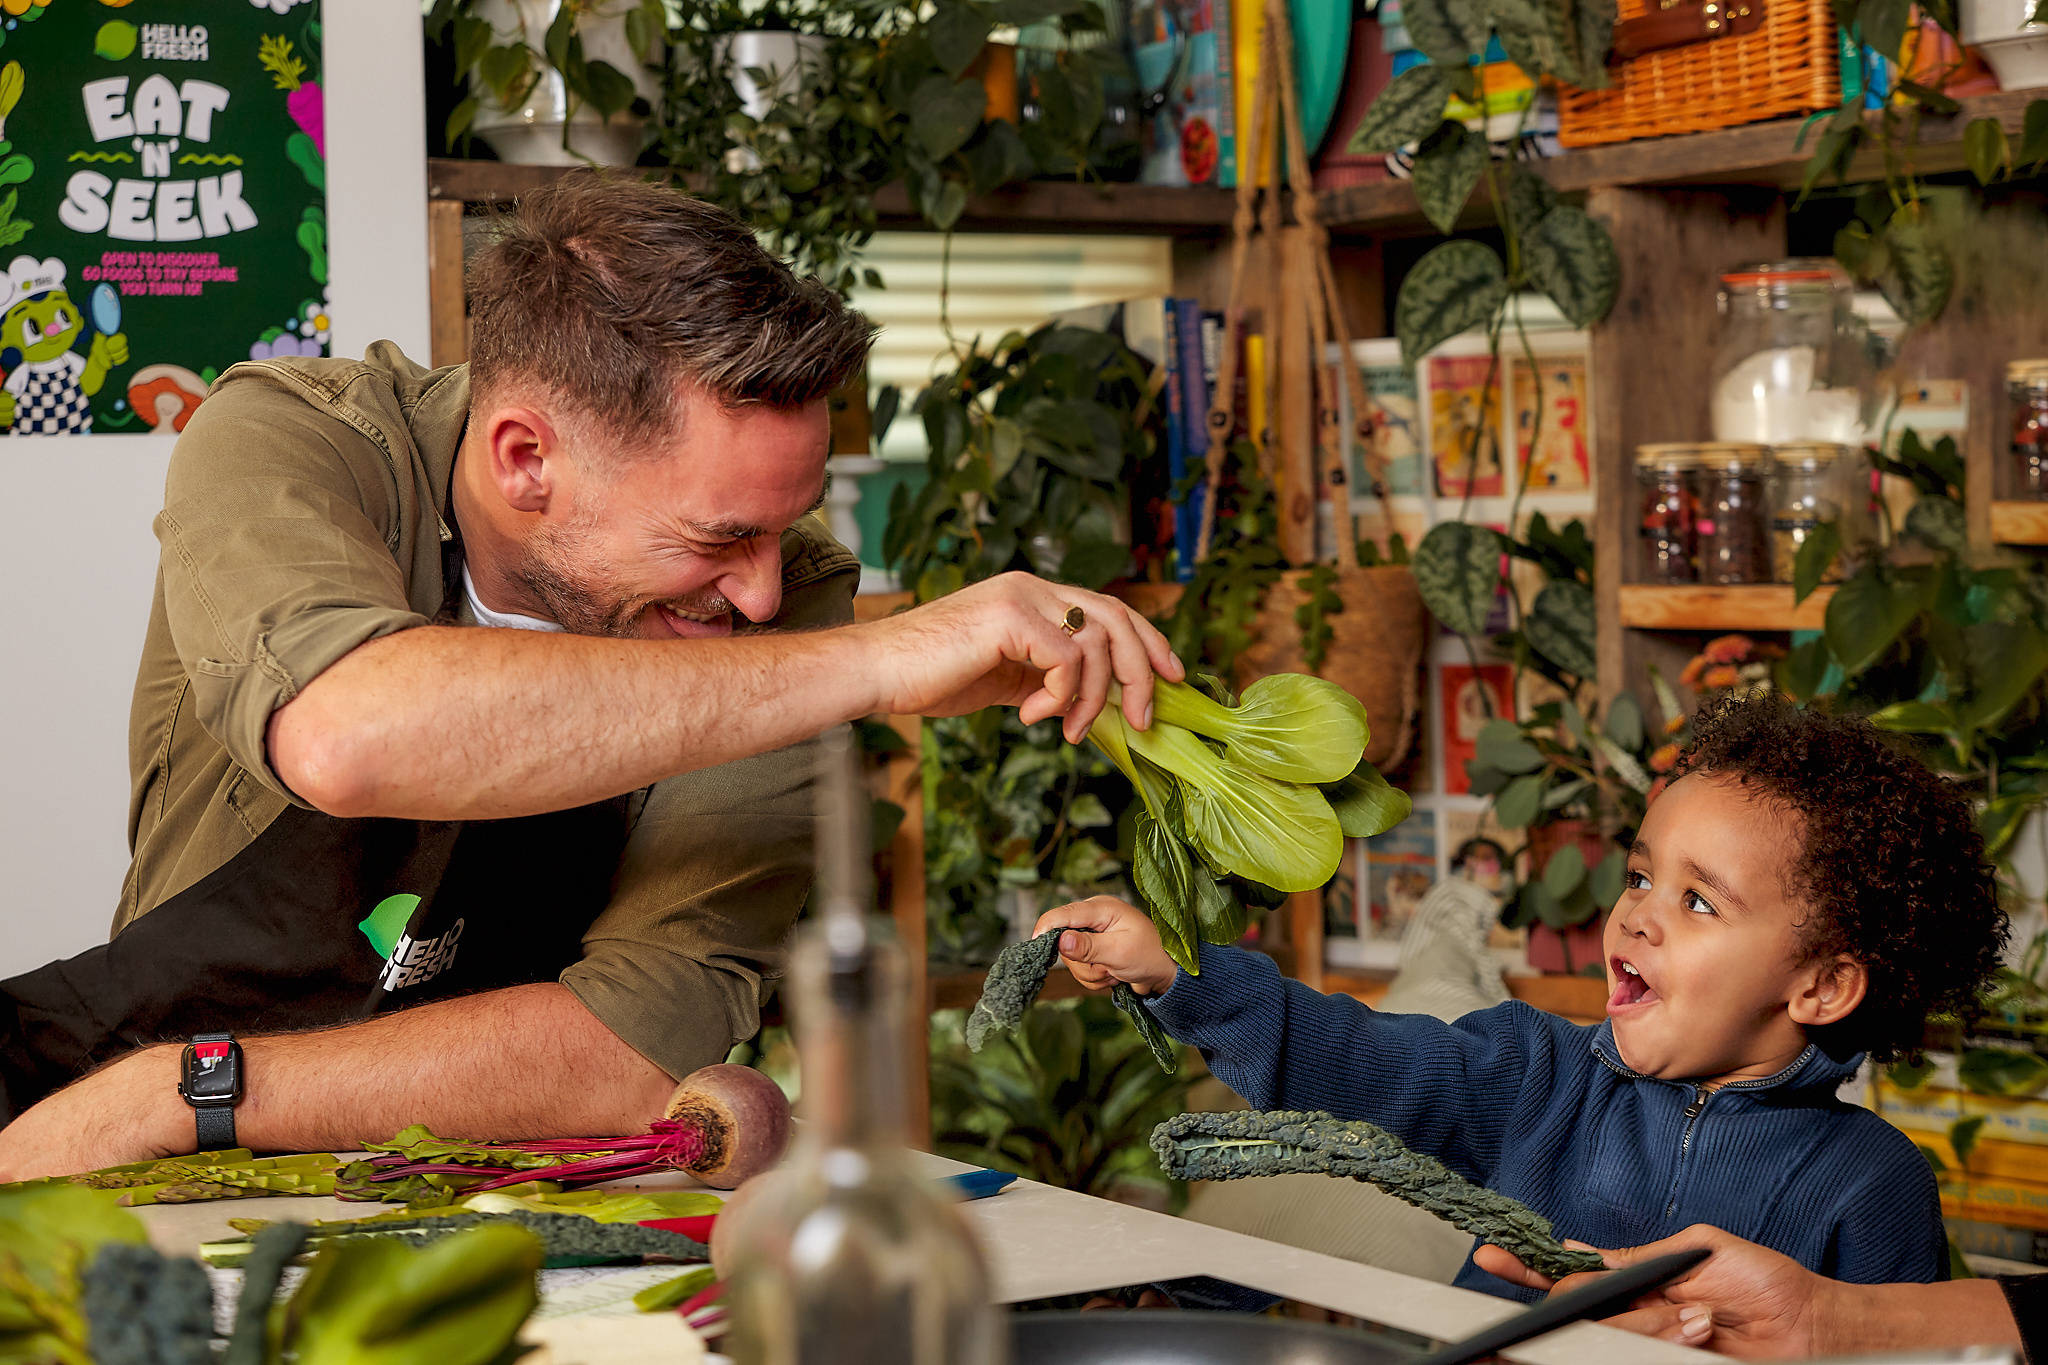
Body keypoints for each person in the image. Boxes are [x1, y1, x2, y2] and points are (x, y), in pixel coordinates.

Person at [0, 172, 1180, 1181]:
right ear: (525, 460)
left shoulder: (789, 603)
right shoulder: (300, 445)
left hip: (477, 1172)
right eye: (719, 538)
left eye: (784, 530)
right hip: (113, 1141)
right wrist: (878, 659)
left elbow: (635, 1047)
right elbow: (349, 736)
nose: (763, 596)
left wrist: (196, 1092)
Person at [1037, 694, 2007, 1301]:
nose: (1637, 914)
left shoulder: (1871, 1185)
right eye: (1639, 876)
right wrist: (1179, 974)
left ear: (1821, 985)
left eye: (1698, 900)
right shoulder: (1537, 1074)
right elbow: (1359, 1060)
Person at [1472, 1225, 2044, 1359]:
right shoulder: (1535, 1054)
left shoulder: (1878, 1172)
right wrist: (1820, 1320)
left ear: (1821, 989)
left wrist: (1825, 1325)